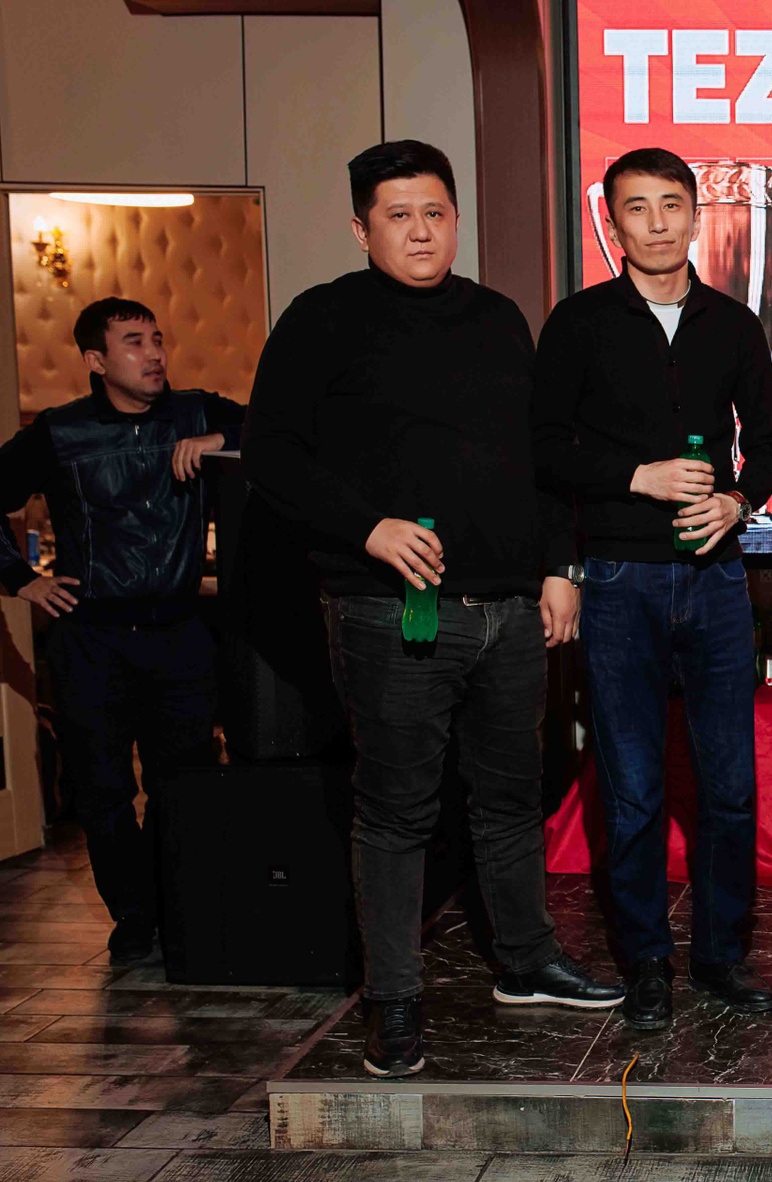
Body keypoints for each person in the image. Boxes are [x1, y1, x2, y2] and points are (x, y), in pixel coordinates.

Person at [245, 140, 621, 1078]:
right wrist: (367, 527)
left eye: (436, 214)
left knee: (512, 799)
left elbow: (539, 458)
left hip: (511, 614)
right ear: (361, 227)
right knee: (398, 813)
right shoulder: (322, 319)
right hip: (390, 614)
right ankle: (395, 1001)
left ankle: (526, 962)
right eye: (399, 216)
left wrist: (559, 565)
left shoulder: (497, 318)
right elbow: (272, 456)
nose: (421, 232)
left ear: (456, 218)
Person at [533, 147, 772, 1033]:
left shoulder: (733, 323)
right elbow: (545, 449)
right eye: (636, 208)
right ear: (613, 223)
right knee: (635, 787)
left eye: (671, 205)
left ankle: (719, 955)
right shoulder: (579, 323)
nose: (656, 223)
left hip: (715, 578)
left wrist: (738, 501)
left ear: (694, 216)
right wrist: (633, 477)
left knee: (730, 786)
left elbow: (768, 443)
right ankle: (645, 959)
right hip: (616, 578)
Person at [0, 298, 241, 964]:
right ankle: (134, 916)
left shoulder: (196, 412)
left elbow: (279, 431)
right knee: (103, 788)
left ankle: (180, 907)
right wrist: (20, 579)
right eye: (134, 342)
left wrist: (221, 441)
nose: (155, 353)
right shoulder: (60, 431)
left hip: (179, 632)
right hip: (91, 638)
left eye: (158, 339)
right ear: (96, 360)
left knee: (183, 782)